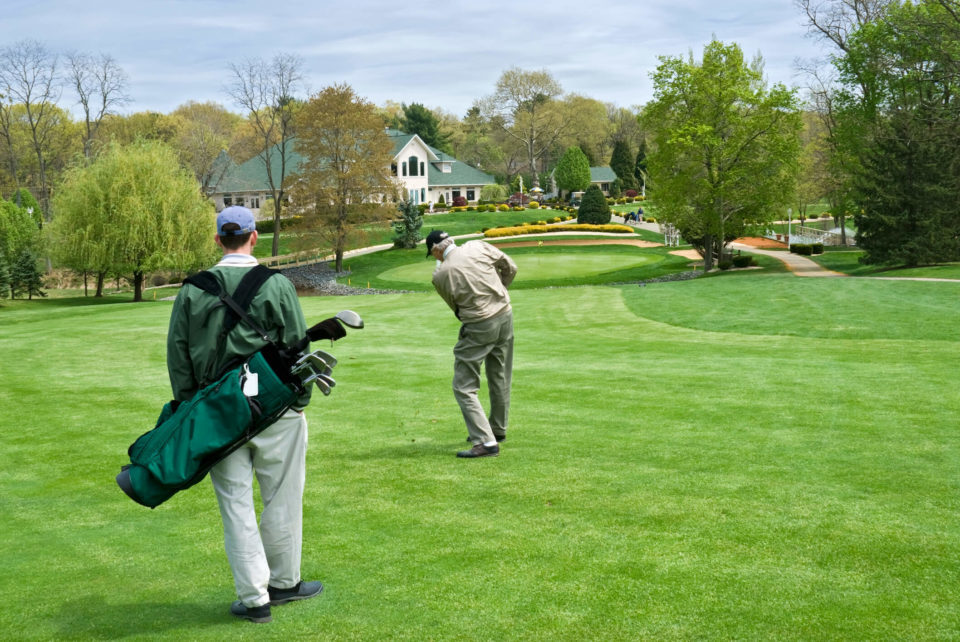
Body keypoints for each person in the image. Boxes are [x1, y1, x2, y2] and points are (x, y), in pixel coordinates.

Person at [166, 206, 322, 623]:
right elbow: (298, 345)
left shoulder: (192, 290)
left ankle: (255, 601)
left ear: (218, 239)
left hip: (216, 411)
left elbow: (179, 358)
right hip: (275, 409)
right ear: (254, 237)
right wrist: (298, 402)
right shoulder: (277, 285)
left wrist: (188, 408)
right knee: (283, 496)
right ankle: (285, 583)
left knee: (235, 503)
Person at [426, 230, 518, 458]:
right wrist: (500, 291)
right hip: (505, 314)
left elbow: (455, 307)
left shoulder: (441, 274)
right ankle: (497, 429)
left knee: (463, 385)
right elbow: (510, 267)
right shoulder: (478, 246)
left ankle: (486, 442)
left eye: (433, 254)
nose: (435, 258)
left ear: (437, 250)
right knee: (499, 374)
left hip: (479, 324)